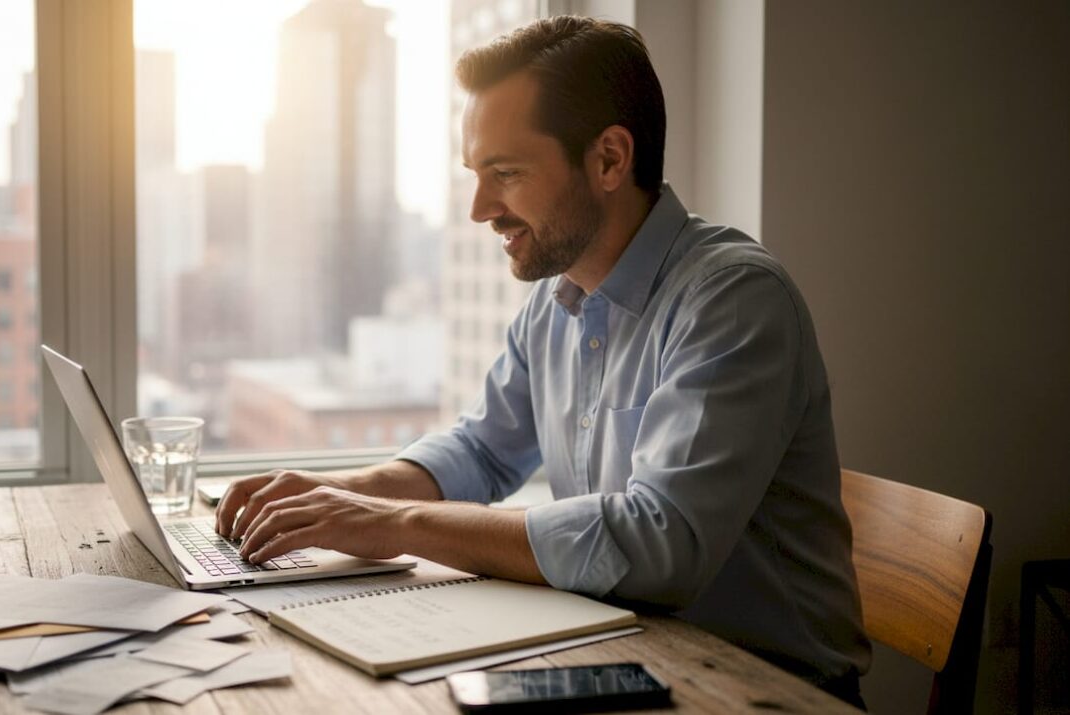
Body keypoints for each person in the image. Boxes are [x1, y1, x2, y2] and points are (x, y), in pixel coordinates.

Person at [215, 15, 871, 705]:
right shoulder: (556, 300)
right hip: (629, 657)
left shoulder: (733, 300)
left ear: (611, 160)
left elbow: (662, 541)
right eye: (475, 174)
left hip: (765, 690)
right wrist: (337, 496)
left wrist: (391, 524)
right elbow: (482, 452)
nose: (478, 208)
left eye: (505, 174)